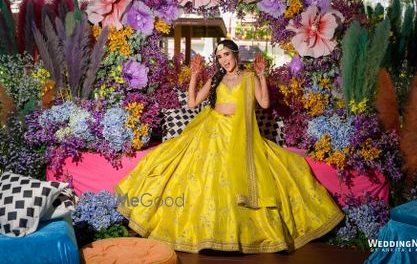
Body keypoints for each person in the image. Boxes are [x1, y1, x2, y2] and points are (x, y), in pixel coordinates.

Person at [115, 39, 344, 253]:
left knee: (277, 169)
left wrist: (262, 76)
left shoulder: (248, 78)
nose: (223, 60)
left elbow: (264, 103)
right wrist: (194, 76)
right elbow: (192, 102)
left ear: (235, 54)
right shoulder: (216, 79)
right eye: (219, 57)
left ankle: (240, 235)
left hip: (239, 133)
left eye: (226, 54)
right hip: (212, 129)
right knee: (185, 169)